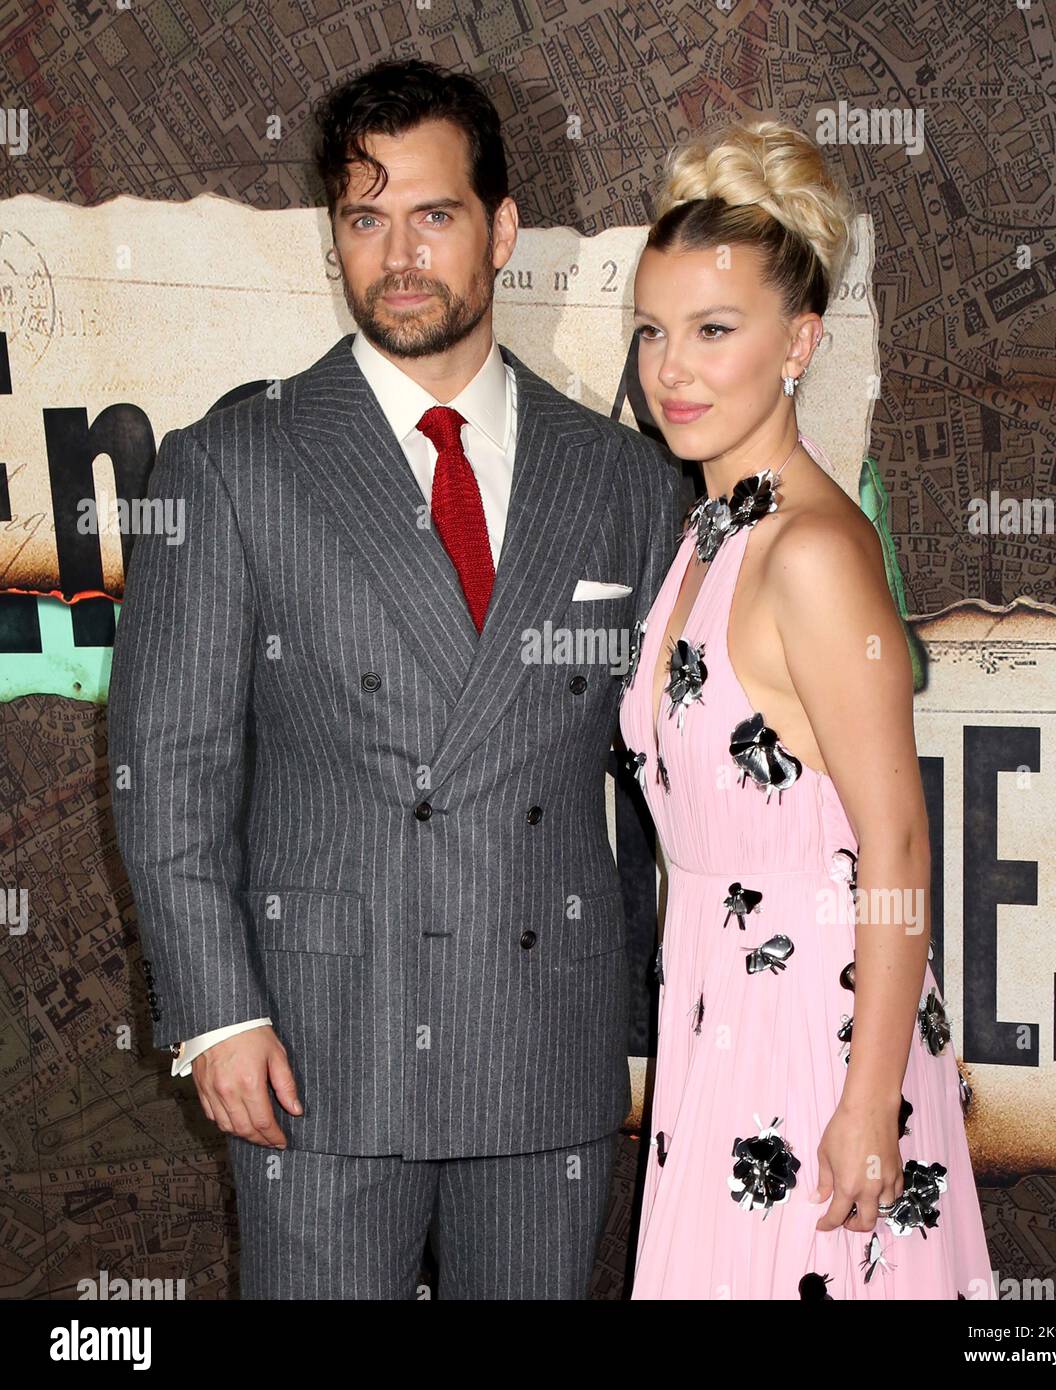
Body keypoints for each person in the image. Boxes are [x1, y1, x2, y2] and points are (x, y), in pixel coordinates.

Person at [107, 58, 681, 1300]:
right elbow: (170, 766)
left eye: (434, 214)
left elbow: (664, 788)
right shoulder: (232, 462)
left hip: (545, 1048)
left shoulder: (623, 481)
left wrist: (669, 1014)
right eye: (366, 221)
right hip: (316, 1048)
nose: (399, 255)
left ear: (503, 230)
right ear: (335, 240)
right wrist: (216, 1012)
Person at [618, 119, 996, 1299]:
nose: (671, 368)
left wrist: (870, 1100)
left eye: (713, 331)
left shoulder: (817, 551)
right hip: (716, 1033)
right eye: (654, 332)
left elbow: (896, 841)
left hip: (817, 1049)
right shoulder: (708, 532)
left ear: (801, 340)